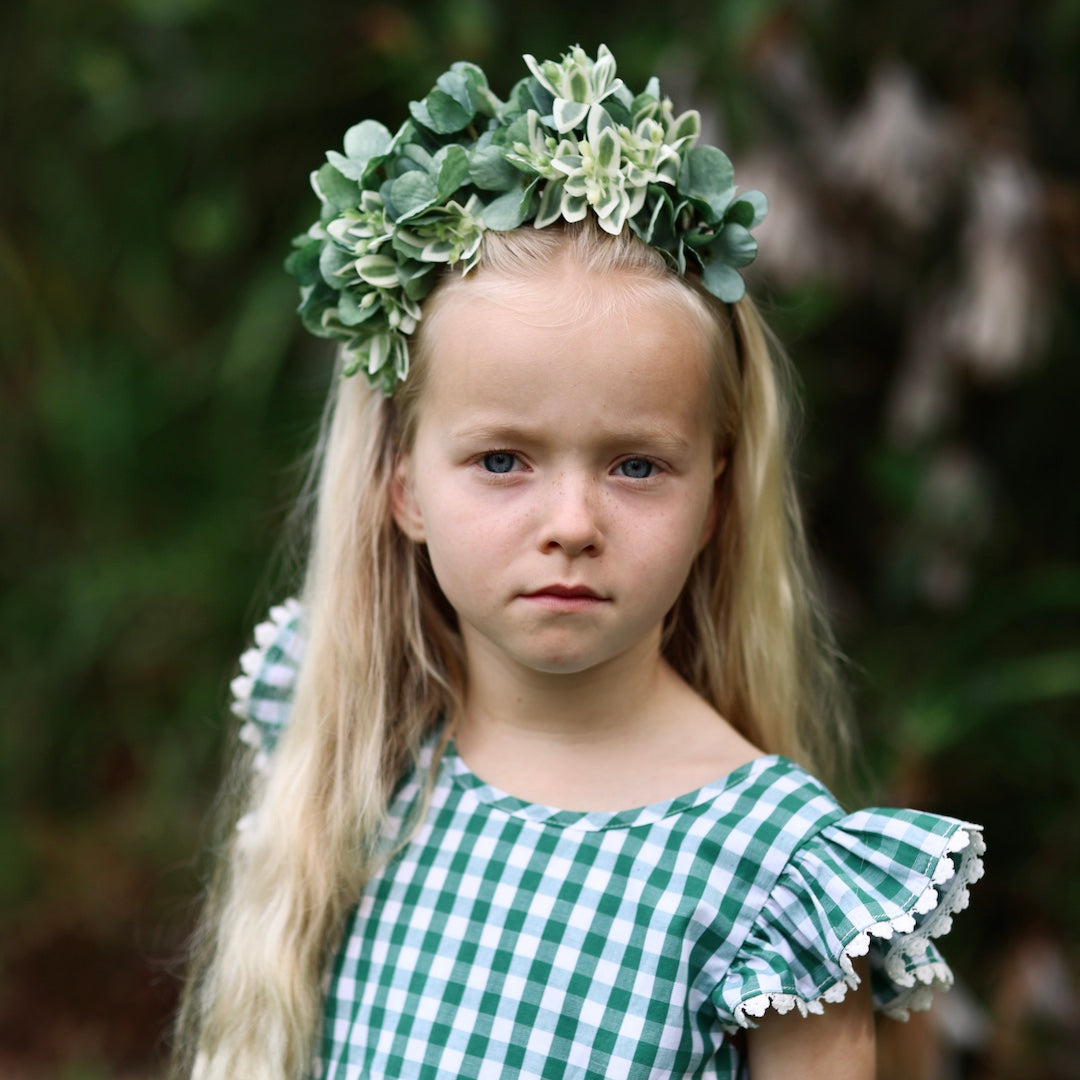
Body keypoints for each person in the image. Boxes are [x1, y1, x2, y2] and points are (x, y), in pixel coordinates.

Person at [173, 46, 985, 1080]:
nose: (571, 522)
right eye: (503, 460)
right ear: (403, 486)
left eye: (637, 465)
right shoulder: (357, 760)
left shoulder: (771, 875)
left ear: (714, 502)